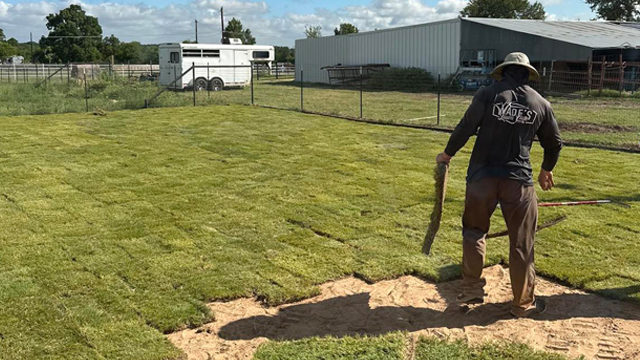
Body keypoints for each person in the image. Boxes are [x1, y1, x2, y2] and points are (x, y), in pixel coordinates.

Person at [435, 52, 562, 317]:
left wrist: (448, 154)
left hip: (481, 179)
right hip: (519, 181)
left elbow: (467, 126)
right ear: (527, 73)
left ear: (503, 71)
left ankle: (471, 292)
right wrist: (546, 169)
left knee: (474, 232)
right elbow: (554, 143)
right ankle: (523, 304)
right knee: (522, 242)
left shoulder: (487, 94)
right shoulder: (541, 103)